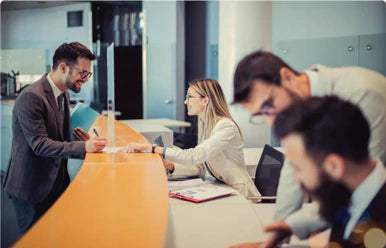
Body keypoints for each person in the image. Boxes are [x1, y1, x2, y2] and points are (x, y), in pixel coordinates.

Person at [231, 50, 386, 245]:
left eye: (268, 105)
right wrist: (277, 237)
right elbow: (292, 171)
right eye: (260, 115)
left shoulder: (363, 92)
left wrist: (292, 229)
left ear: (287, 77)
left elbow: (357, 188)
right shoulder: (293, 110)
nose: (270, 122)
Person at [2, 42, 107, 235]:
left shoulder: (63, 94)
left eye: (87, 74)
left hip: (55, 184)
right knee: (34, 241)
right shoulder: (32, 97)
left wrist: (80, 141)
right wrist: (83, 147)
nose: (85, 79)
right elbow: (40, 145)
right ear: (63, 67)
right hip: (31, 187)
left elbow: (57, 136)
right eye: (83, 73)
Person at [125, 78, 261, 199]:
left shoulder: (226, 127)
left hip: (242, 196)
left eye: (190, 96)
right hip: (223, 188)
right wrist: (169, 166)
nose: (185, 101)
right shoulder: (205, 124)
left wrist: (155, 148)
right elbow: (199, 166)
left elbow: (194, 156)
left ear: (205, 100)